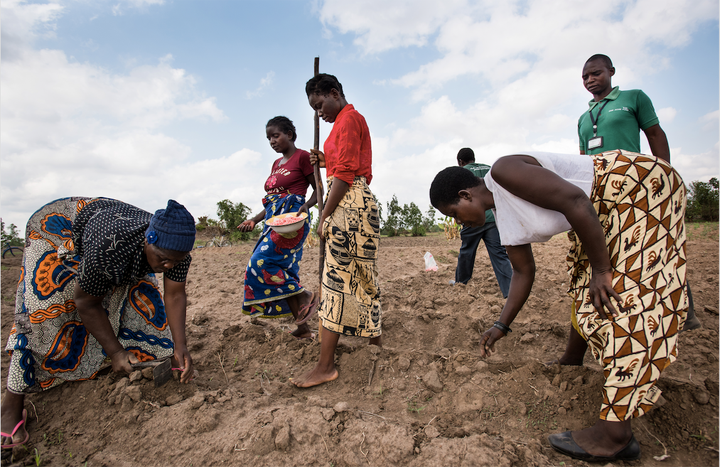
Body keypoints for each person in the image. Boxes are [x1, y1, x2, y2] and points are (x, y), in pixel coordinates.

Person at [430, 149, 688, 463]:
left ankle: (615, 433)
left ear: (465, 194)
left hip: (635, 187)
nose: (458, 223)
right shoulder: (504, 218)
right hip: (600, 209)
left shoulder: (503, 171)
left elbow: (577, 201)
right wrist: (501, 325)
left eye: (454, 214)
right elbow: (524, 272)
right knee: (583, 278)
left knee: (625, 296)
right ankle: (572, 357)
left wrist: (604, 270)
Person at [1, 198, 197, 449]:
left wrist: (180, 345)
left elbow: (175, 294)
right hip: (60, 230)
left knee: (145, 299)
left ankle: (131, 357)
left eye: (176, 261)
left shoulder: (175, 251)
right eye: (163, 259)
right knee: (46, 310)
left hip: (117, 242)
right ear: (149, 239)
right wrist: (115, 352)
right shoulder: (109, 247)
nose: (168, 266)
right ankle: (12, 403)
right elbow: (85, 302)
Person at [578, 53, 699, 334]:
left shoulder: (633, 98)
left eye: (595, 73)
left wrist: (664, 174)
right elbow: (583, 158)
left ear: (611, 71)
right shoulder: (584, 118)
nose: (590, 80)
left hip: (636, 185)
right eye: (585, 77)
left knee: (656, 244)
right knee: (613, 249)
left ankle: (686, 312)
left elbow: (655, 134)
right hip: (602, 192)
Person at [290, 73, 381, 388]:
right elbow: (346, 164)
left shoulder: (346, 120)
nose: (319, 113)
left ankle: (325, 365)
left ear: (333, 93)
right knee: (360, 276)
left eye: (319, 105)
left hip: (349, 203)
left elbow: (344, 176)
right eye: (314, 109)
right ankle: (375, 344)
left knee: (334, 282)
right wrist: (325, 160)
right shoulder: (351, 120)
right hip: (360, 202)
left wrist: (323, 216)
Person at [237, 116, 319, 339]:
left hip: (292, 221)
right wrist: (254, 220)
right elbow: (272, 200)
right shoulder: (276, 164)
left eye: (276, 135)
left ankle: (305, 295)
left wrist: (306, 206)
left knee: (260, 264)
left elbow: (318, 188)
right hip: (274, 221)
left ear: (290, 134)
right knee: (282, 271)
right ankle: (303, 328)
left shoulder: (302, 157)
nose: (272, 141)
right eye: (268, 138)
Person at [451, 148, 512, 297]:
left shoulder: (461, 173)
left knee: (466, 252)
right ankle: (509, 290)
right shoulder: (488, 168)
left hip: (473, 219)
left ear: (460, 162)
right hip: (492, 217)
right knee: (499, 253)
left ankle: (461, 283)